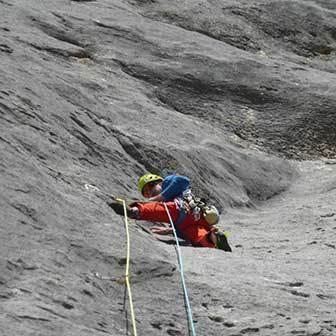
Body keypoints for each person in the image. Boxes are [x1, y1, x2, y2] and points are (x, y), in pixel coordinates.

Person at [107, 173, 232, 252]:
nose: (149, 194)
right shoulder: (167, 196)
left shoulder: (168, 182)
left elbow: (184, 180)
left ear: (158, 182)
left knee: (156, 209)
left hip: (182, 208)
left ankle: (134, 211)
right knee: (197, 236)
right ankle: (214, 238)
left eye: (149, 188)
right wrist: (170, 231)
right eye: (146, 194)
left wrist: (158, 197)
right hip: (194, 220)